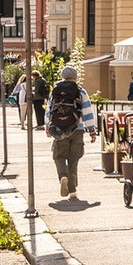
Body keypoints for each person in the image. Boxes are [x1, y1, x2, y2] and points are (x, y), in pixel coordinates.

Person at [43, 65, 97, 201]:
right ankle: (72, 190)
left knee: (59, 156)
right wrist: (91, 130)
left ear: (63, 76)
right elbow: (87, 112)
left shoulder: (55, 91)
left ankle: (63, 176)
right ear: (75, 77)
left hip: (60, 129)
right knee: (74, 159)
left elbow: (49, 110)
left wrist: (48, 127)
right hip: (77, 129)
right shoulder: (80, 91)